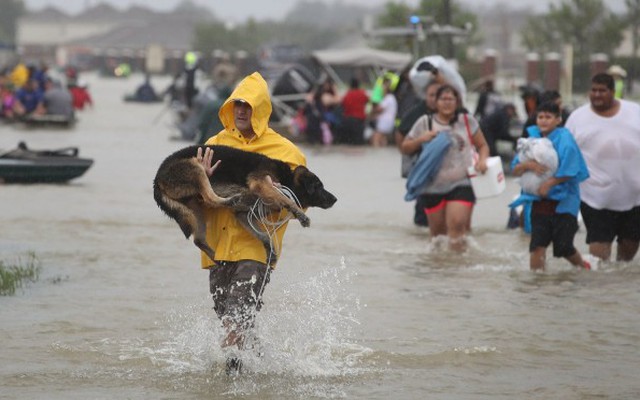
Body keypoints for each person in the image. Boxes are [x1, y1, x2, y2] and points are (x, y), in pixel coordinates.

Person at [197, 72, 307, 372]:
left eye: (248, 105)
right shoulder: (213, 145)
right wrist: (202, 182)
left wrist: (272, 195)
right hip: (217, 249)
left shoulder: (285, 152)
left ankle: (230, 383)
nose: (242, 111)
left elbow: (301, 199)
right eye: (237, 105)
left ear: (261, 109)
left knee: (235, 321)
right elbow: (194, 200)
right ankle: (262, 367)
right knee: (232, 321)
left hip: (257, 249)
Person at [400, 84, 490, 252]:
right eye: (443, 99)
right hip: (432, 186)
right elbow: (405, 148)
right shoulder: (424, 122)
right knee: (438, 237)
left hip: (462, 183)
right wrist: (421, 139)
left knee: (456, 228)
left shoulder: (467, 121)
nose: (447, 103)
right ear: (436, 102)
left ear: (457, 102)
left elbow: (483, 145)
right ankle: (439, 271)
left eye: (451, 99)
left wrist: (482, 161)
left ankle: (456, 270)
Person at [565, 73, 640, 262]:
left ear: (613, 92)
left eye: (602, 91)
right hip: (594, 195)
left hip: (634, 195)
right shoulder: (577, 118)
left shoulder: (634, 112)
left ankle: (618, 287)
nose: (597, 95)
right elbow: (565, 153)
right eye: (593, 90)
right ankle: (599, 289)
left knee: (630, 247)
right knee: (599, 252)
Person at [510, 102, 590, 271]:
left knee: (563, 248)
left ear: (558, 119)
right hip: (540, 202)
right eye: (540, 117)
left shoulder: (565, 140)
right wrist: (528, 165)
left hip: (564, 202)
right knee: (537, 245)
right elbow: (515, 169)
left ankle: (584, 268)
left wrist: (550, 183)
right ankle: (537, 286)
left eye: (548, 117)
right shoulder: (530, 141)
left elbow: (572, 168)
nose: (544, 121)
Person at [396, 80, 441, 227]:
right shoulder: (418, 114)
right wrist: (408, 150)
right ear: (425, 96)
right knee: (423, 209)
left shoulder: (452, 114)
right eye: (431, 95)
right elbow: (401, 133)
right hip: (422, 167)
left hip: (444, 171)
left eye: (437, 95)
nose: (434, 99)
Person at [337, 77, 369, 145]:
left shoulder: (347, 94)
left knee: (349, 143)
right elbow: (368, 101)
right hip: (359, 121)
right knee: (359, 143)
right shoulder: (362, 94)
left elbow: (342, 105)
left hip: (348, 121)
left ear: (350, 85)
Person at [370, 77, 397, 147]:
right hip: (388, 122)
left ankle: (376, 152)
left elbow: (379, 109)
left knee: (375, 138)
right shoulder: (390, 98)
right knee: (383, 139)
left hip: (385, 122)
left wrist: (372, 109)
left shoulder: (389, 98)